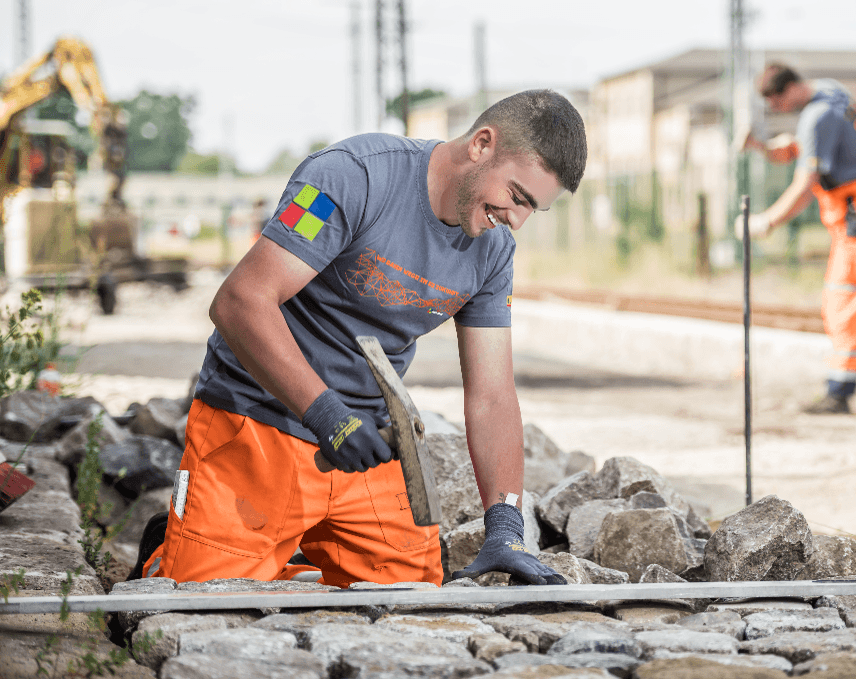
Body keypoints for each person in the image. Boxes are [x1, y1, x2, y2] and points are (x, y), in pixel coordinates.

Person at [129, 89, 586, 587]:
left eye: (532, 209)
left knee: (408, 601)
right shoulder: (349, 177)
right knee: (199, 598)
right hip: (257, 422)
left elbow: (493, 395)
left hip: (366, 445)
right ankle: (173, 549)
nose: (515, 218)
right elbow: (240, 302)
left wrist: (506, 524)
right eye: (517, 196)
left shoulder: (493, 251)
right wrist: (326, 414)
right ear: (481, 145)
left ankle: (280, 558)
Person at [739, 64, 856, 414]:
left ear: (788, 90)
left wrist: (766, 222)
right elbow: (840, 147)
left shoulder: (815, 118)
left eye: (775, 102)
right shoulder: (831, 90)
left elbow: (804, 187)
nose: (776, 110)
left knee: (843, 299)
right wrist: (791, 149)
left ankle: (840, 391)